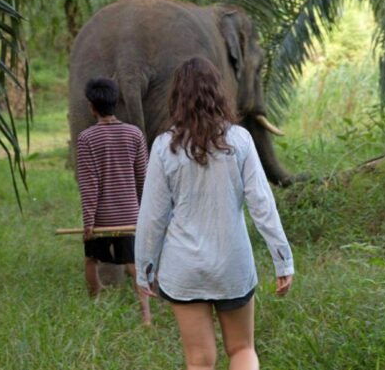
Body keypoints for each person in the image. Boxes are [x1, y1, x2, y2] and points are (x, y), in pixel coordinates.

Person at [135, 57, 294, 370]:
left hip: (184, 269)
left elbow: (152, 216)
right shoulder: (240, 140)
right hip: (232, 265)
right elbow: (262, 205)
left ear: (176, 98)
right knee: (242, 349)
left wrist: (145, 268)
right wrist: (283, 259)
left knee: (199, 361)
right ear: (219, 94)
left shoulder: (164, 147)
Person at [75, 77, 151, 325]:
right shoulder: (134, 134)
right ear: (117, 102)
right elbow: (144, 178)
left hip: (101, 217)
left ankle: (94, 304)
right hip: (130, 215)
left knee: (91, 260)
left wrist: (89, 222)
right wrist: (145, 213)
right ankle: (146, 317)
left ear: (91, 106)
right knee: (133, 264)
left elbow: (89, 184)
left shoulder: (86, 139)